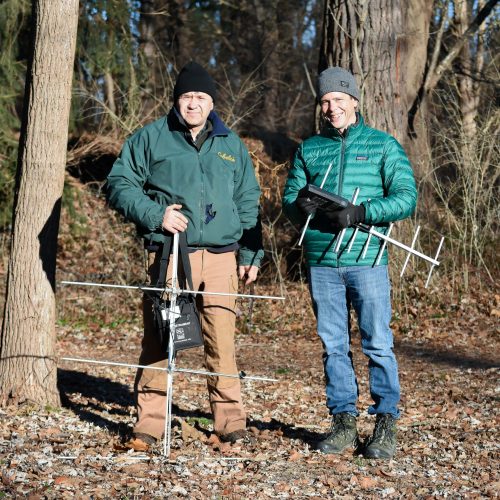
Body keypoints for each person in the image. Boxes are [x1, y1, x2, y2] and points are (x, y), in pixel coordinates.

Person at [107, 61, 263, 450]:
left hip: (223, 257)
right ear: (176, 100)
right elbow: (118, 184)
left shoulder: (231, 145)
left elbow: (248, 201)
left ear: (212, 103)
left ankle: (230, 422)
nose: (193, 104)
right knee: (162, 339)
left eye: (201, 97)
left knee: (221, 342)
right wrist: (155, 215)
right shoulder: (152, 138)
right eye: (187, 97)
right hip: (171, 254)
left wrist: (251, 253)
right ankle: (149, 424)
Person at [283, 67, 417, 459]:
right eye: (325, 101)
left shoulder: (382, 145)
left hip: (367, 259)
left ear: (354, 102)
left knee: (377, 343)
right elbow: (291, 198)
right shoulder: (309, 149)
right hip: (323, 261)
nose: (331, 107)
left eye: (339, 100)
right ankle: (343, 423)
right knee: (334, 345)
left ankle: (385, 424)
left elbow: (406, 196)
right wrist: (302, 208)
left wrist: (362, 212)